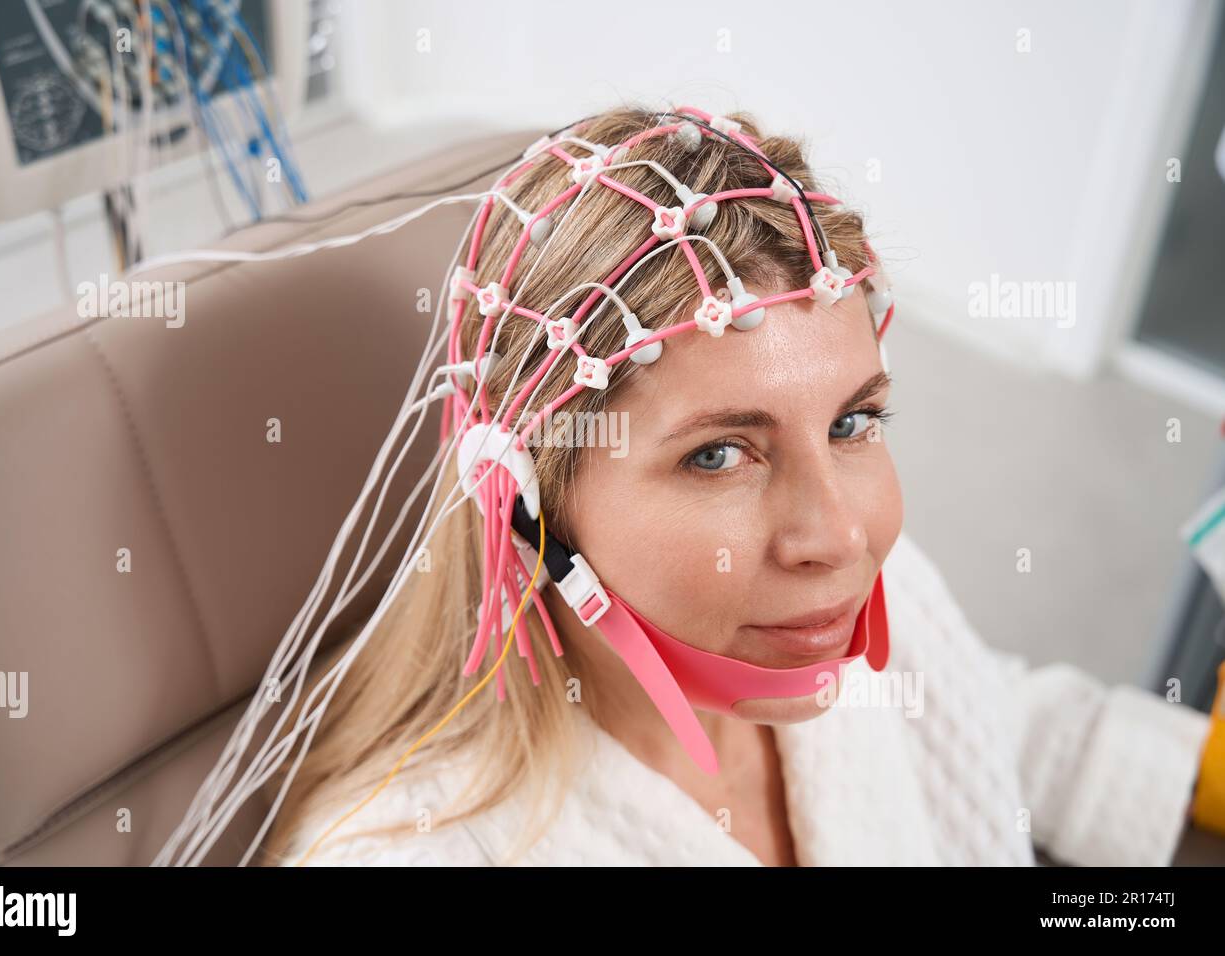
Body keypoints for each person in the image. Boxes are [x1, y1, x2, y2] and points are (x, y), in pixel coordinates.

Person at [251, 105, 1210, 867]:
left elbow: (978, 719)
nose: (839, 539)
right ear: (529, 502)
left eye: (851, 424)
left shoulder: (872, 593)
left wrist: (1196, 773)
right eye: (718, 455)